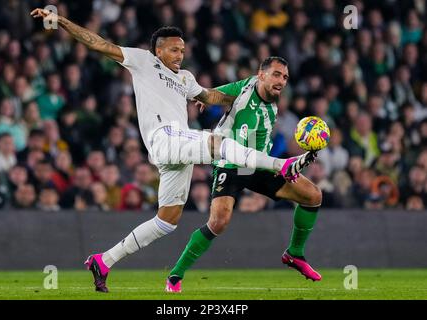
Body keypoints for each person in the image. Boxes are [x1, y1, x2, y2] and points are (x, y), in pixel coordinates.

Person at [31, 9, 315, 293]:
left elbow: (210, 96)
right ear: (158, 50)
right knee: (220, 145)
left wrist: (241, 93)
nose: (180, 55)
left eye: (182, 50)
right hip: (164, 138)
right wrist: (64, 22)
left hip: (177, 152)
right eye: (174, 50)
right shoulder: (143, 62)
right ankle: (282, 164)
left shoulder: (185, 78)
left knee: (167, 221)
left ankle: (104, 261)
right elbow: (99, 44)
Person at [166, 57, 323, 293]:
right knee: (219, 222)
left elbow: (215, 94)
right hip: (231, 162)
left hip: (259, 163)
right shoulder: (246, 92)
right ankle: (175, 276)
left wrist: (206, 96)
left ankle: (294, 254)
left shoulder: (256, 89)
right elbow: (239, 150)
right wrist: (202, 97)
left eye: (285, 77)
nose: (282, 81)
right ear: (262, 75)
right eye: (277, 74)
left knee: (313, 195)